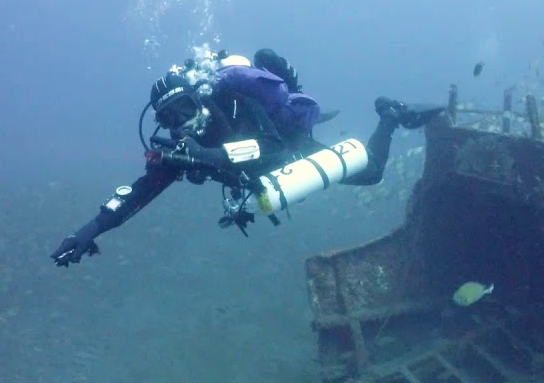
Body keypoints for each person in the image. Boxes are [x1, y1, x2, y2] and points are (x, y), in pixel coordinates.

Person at [50, 48, 444, 267]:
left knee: (372, 173)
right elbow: (139, 193)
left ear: (198, 96)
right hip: (261, 175)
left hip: (288, 143)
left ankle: (389, 115)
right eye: (170, 120)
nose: (181, 124)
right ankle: (381, 114)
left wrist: (206, 155)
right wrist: (89, 232)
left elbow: (273, 148)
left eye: (185, 110)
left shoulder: (233, 103)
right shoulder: (181, 148)